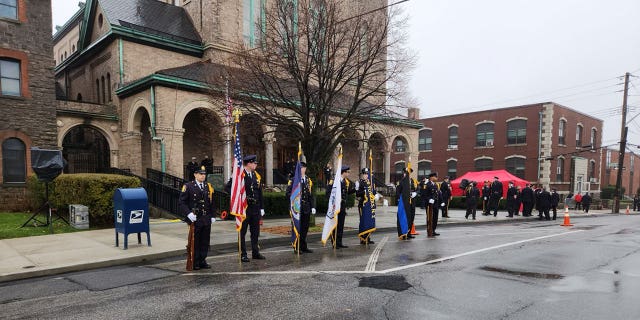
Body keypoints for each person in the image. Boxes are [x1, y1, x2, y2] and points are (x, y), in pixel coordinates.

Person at [226, 154, 265, 262]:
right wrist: (239, 198)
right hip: (244, 208)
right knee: (242, 232)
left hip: (255, 208)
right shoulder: (239, 175)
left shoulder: (256, 175)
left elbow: (259, 192)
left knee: (255, 232)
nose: (256, 165)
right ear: (249, 163)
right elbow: (229, 188)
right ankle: (243, 254)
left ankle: (255, 252)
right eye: (254, 163)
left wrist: (262, 207)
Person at [179, 166, 216, 270]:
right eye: (200, 174)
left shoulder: (208, 186)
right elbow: (182, 202)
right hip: (196, 218)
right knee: (196, 241)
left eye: (204, 174)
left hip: (206, 218)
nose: (203, 176)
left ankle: (202, 260)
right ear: (195, 174)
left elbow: (212, 202)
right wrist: (189, 214)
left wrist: (213, 215)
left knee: (205, 240)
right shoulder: (188, 186)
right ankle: (195, 261)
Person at [286, 160, 316, 254]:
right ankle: (296, 246)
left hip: (306, 207)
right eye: (301, 168)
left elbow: (310, 195)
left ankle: (303, 246)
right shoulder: (293, 180)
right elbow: (288, 194)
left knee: (305, 228)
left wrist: (313, 206)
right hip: (297, 209)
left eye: (304, 168)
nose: (303, 169)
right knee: (297, 227)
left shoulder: (308, 180)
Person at [327, 165, 355, 248]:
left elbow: (347, 192)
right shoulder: (334, 181)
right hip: (335, 206)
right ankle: (334, 242)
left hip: (342, 205)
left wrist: (355, 189)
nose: (349, 174)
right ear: (344, 172)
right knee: (335, 224)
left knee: (341, 224)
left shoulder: (345, 182)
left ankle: (339, 242)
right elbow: (328, 193)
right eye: (348, 172)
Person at [356, 167, 379, 244]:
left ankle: (368, 238)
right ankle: (363, 239)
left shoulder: (371, 183)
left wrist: (376, 196)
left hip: (370, 206)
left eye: (367, 174)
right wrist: (363, 192)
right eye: (364, 174)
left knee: (369, 221)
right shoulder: (360, 183)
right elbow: (357, 194)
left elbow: (374, 192)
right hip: (363, 205)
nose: (366, 175)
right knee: (363, 221)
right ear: (362, 175)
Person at [424, 172, 440, 237]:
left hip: (435, 203)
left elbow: (437, 194)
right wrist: (429, 199)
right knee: (429, 218)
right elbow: (424, 195)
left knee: (435, 217)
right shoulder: (427, 185)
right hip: (429, 205)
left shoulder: (436, 185)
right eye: (435, 177)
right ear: (431, 177)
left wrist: (440, 201)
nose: (436, 178)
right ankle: (429, 230)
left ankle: (433, 230)